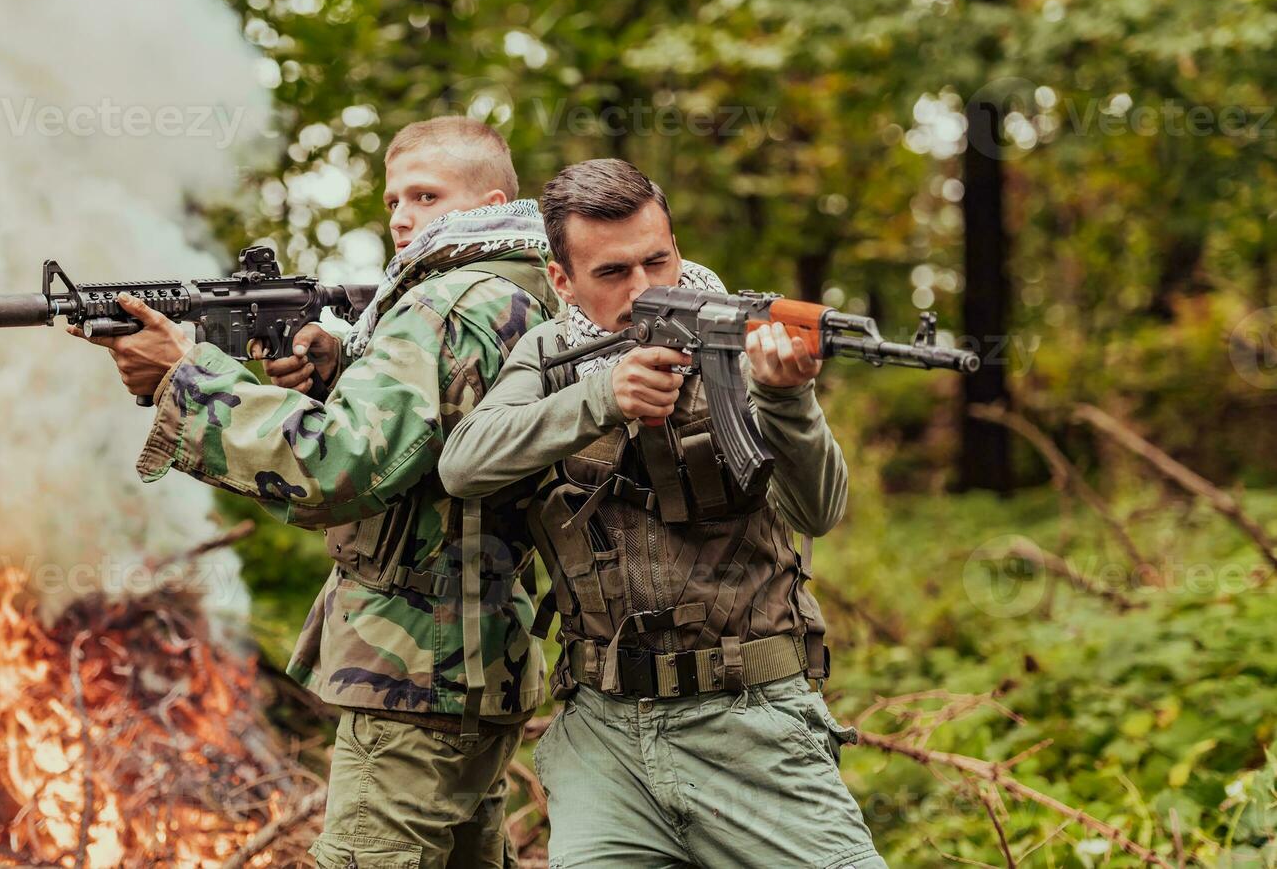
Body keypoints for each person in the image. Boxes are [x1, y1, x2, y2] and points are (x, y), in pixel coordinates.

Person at [73, 117, 559, 869]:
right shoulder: (517, 294)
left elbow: (338, 467)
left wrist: (185, 379)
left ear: (487, 202)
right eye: (394, 199)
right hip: (471, 662)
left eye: (426, 196)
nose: (401, 216)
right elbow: (441, 445)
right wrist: (340, 373)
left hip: (416, 672)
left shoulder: (441, 307)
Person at [438, 158, 886, 869]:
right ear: (563, 281)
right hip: (605, 740)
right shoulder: (554, 354)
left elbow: (819, 510)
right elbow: (463, 464)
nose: (646, 289)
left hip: (752, 727)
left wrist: (786, 400)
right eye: (613, 273)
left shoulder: (740, 342)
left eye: (659, 260)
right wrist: (602, 398)